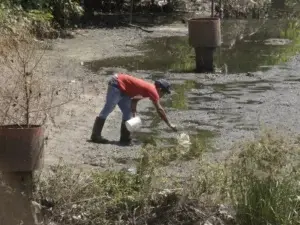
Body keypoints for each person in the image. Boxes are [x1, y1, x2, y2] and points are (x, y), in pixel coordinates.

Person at [90, 72, 177, 145]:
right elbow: (159, 109)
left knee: (128, 113)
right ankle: (95, 136)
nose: (163, 96)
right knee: (109, 108)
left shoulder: (150, 89)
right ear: (160, 89)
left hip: (124, 90)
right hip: (117, 83)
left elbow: (135, 100)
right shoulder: (153, 91)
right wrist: (169, 124)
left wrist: (134, 113)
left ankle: (125, 139)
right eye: (164, 93)